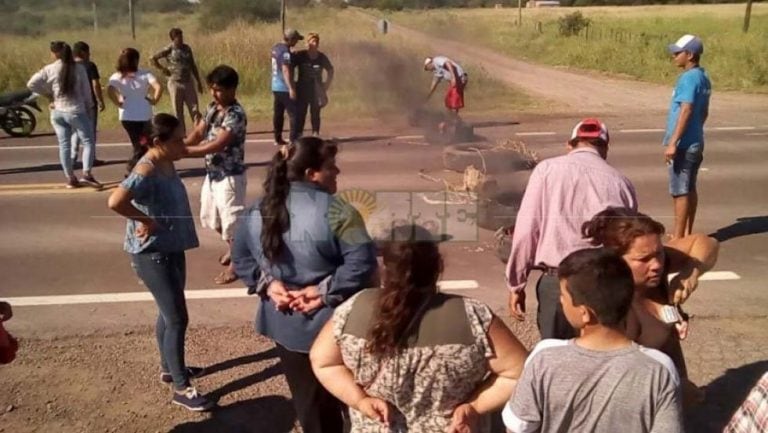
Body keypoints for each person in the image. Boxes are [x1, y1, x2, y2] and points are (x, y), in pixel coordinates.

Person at [310, 224, 529, 432]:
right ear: (438, 266)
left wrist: (360, 400)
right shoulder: (473, 316)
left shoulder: (353, 309)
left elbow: (322, 361)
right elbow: (519, 372)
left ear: (384, 266)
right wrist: (474, 406)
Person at [231, 136, 378, 433]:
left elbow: (241, 257)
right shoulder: (339, 211)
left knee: (310, 408)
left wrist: (268, 285)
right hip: (335, 326)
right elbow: (362, 264)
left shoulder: (257, 209)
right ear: (312, 173)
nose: (337, 172)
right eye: (331, 167)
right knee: (355, 401)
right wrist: (321, 292)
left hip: (285, 323)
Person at [503, 247, 684, 433]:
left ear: (585, 314)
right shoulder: (659, 368)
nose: (561, 300)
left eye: (564, 295)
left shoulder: (544, 358)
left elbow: (518, 427)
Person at [107, 113, 212, 412]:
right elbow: (115, 201)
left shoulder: (165, 159)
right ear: (157, 142)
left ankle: (169, 369)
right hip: (152, 253)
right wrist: (145, 221)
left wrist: (200, 129)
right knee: (178, 318)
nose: (183, 144)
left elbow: (190, 144)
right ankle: (181, 387)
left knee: (169, 313)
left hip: (171, 247)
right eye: (178, 139)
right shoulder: (146, 168)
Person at [506, 118, 637, 339]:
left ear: (570, 145)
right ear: (604, 148)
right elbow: (628, 244)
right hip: (603, 283)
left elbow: (527, 231)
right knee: (600, 355)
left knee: (557, 357)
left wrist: (516, 284)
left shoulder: (546, 170)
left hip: (557, 284)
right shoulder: (621, 183)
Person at [582, 207, 719, 406]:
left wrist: (691, 271)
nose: (657, 265)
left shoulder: (655, 271)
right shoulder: (610, 307)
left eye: (659, 253)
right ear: (614, 262)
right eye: (643, 259)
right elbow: (615, 385)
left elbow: (708, 244)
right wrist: (678, 391)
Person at [184, 65, 247, 285]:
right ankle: (234, 248)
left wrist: (184, 152)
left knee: (231, 222)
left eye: (219, 89)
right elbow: (199, 133)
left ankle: (237, 264)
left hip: (229, 176)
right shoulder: (213, 107)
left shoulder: (235, 114)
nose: (214, 93)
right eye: (212, 89)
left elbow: (218, 144)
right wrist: (176, 145)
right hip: (212, 175)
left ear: (232, 89)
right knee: (212, 218)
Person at [27, 41, 100, 189]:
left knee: (64, 145)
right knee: (88, 142)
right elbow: (87, 92)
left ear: (54, 54)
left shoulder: (49, 69)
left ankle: (70, 177)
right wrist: (89, 107)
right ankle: (87, 174)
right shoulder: (79, 68)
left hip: (57, 111)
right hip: (76, 110)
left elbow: (31, 84)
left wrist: (48, 94)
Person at [663, 34, 711, 239]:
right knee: (689, 188)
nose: (674, 56)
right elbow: (704, 112)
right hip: (696, 141)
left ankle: (679, 236)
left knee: (679, 190)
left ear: (690, 55)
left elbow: (687, 109)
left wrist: (673, 142)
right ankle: (687, 232)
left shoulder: (688, 78)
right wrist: (695, 132)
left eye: (677, 53)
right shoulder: (703, 77)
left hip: (684, 144)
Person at [107, 48, 163, 175]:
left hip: (127, 116)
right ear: (136, 60)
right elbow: (158, 86)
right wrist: (154, 100)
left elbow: (110, 90)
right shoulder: (144, 74)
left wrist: (118, 102)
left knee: (139, 143)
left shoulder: (117, 76)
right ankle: (134, 168)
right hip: (144, 115)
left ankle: (139, 167)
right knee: (142, 143)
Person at [151, 28, 203, 133]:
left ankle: (198, 131)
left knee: (194, 109)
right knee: (178, 111)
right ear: (173, 39)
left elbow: (192, 65)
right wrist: (163, 69)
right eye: (178, 37)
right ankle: (181, 135)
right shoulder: (169, 49)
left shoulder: (187, 48)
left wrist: (198, 81)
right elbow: (153, 58)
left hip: (188, 82)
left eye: (181, 36)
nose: (181, 39)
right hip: (175, 82)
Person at [71, 41, 106, 166]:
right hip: (89, 102)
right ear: (83, 52)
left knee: (75, 130)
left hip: (73, 102)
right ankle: (91, 157)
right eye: (88, 52)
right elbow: (95, 84)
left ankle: (72, 156)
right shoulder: (89, 65)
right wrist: (100, 100)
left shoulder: (69, 66)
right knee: (90, 131)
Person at [293, 32, 334, 137]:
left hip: (316, 89)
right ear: (307, 43)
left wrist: (326, 84)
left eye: (316, 41)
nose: (314, 44)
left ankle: (315, 133)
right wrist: (292, 83)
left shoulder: (321, 57)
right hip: (302, 88)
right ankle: (299, 134)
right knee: (301, 112)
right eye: (312, 41)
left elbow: (330, 69)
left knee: (315, 112)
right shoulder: (301, 55)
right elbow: (289, 66)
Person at [271, 28, 302, 146]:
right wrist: (291, 88)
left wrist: (291, 53)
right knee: (294, 113)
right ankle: (293, 140)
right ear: (291, 39)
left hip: (275, 86)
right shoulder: (285, 53)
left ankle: (277, 138)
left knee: (278, 113)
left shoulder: (276, 48)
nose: (296, 42)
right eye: (296, 40)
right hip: (284, 87)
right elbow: (285, 70)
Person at [424, 56, 468, 131]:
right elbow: (434, 85)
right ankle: (453, 120)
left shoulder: (436, 60)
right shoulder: (437, 71)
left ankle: (450, 123)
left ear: (429, 63)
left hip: (459, 79)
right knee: (448, 101)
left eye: (427, 68)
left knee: (454, 102)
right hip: (455, 82)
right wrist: (427, 96)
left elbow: (448, 63)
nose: (429, 70)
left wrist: (453, 77)